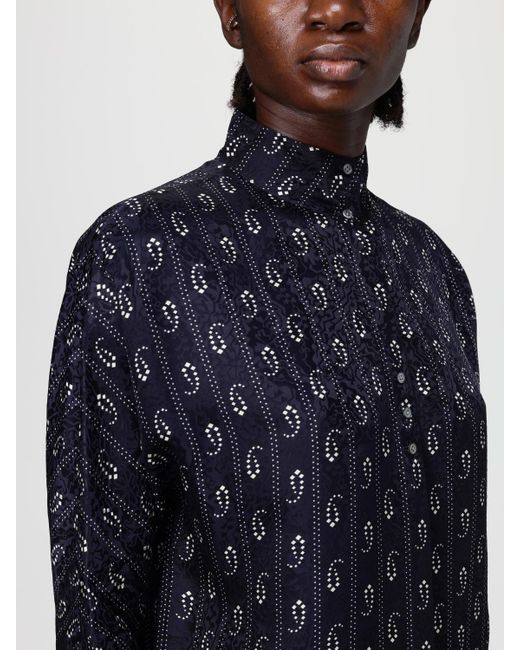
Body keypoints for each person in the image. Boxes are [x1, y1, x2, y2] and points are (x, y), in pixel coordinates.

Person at [45, 0, 489, 648]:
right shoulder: (140, 253)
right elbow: (96, 607)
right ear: (231, 13)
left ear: (418, 17)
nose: (336, 10)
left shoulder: (432, 269)